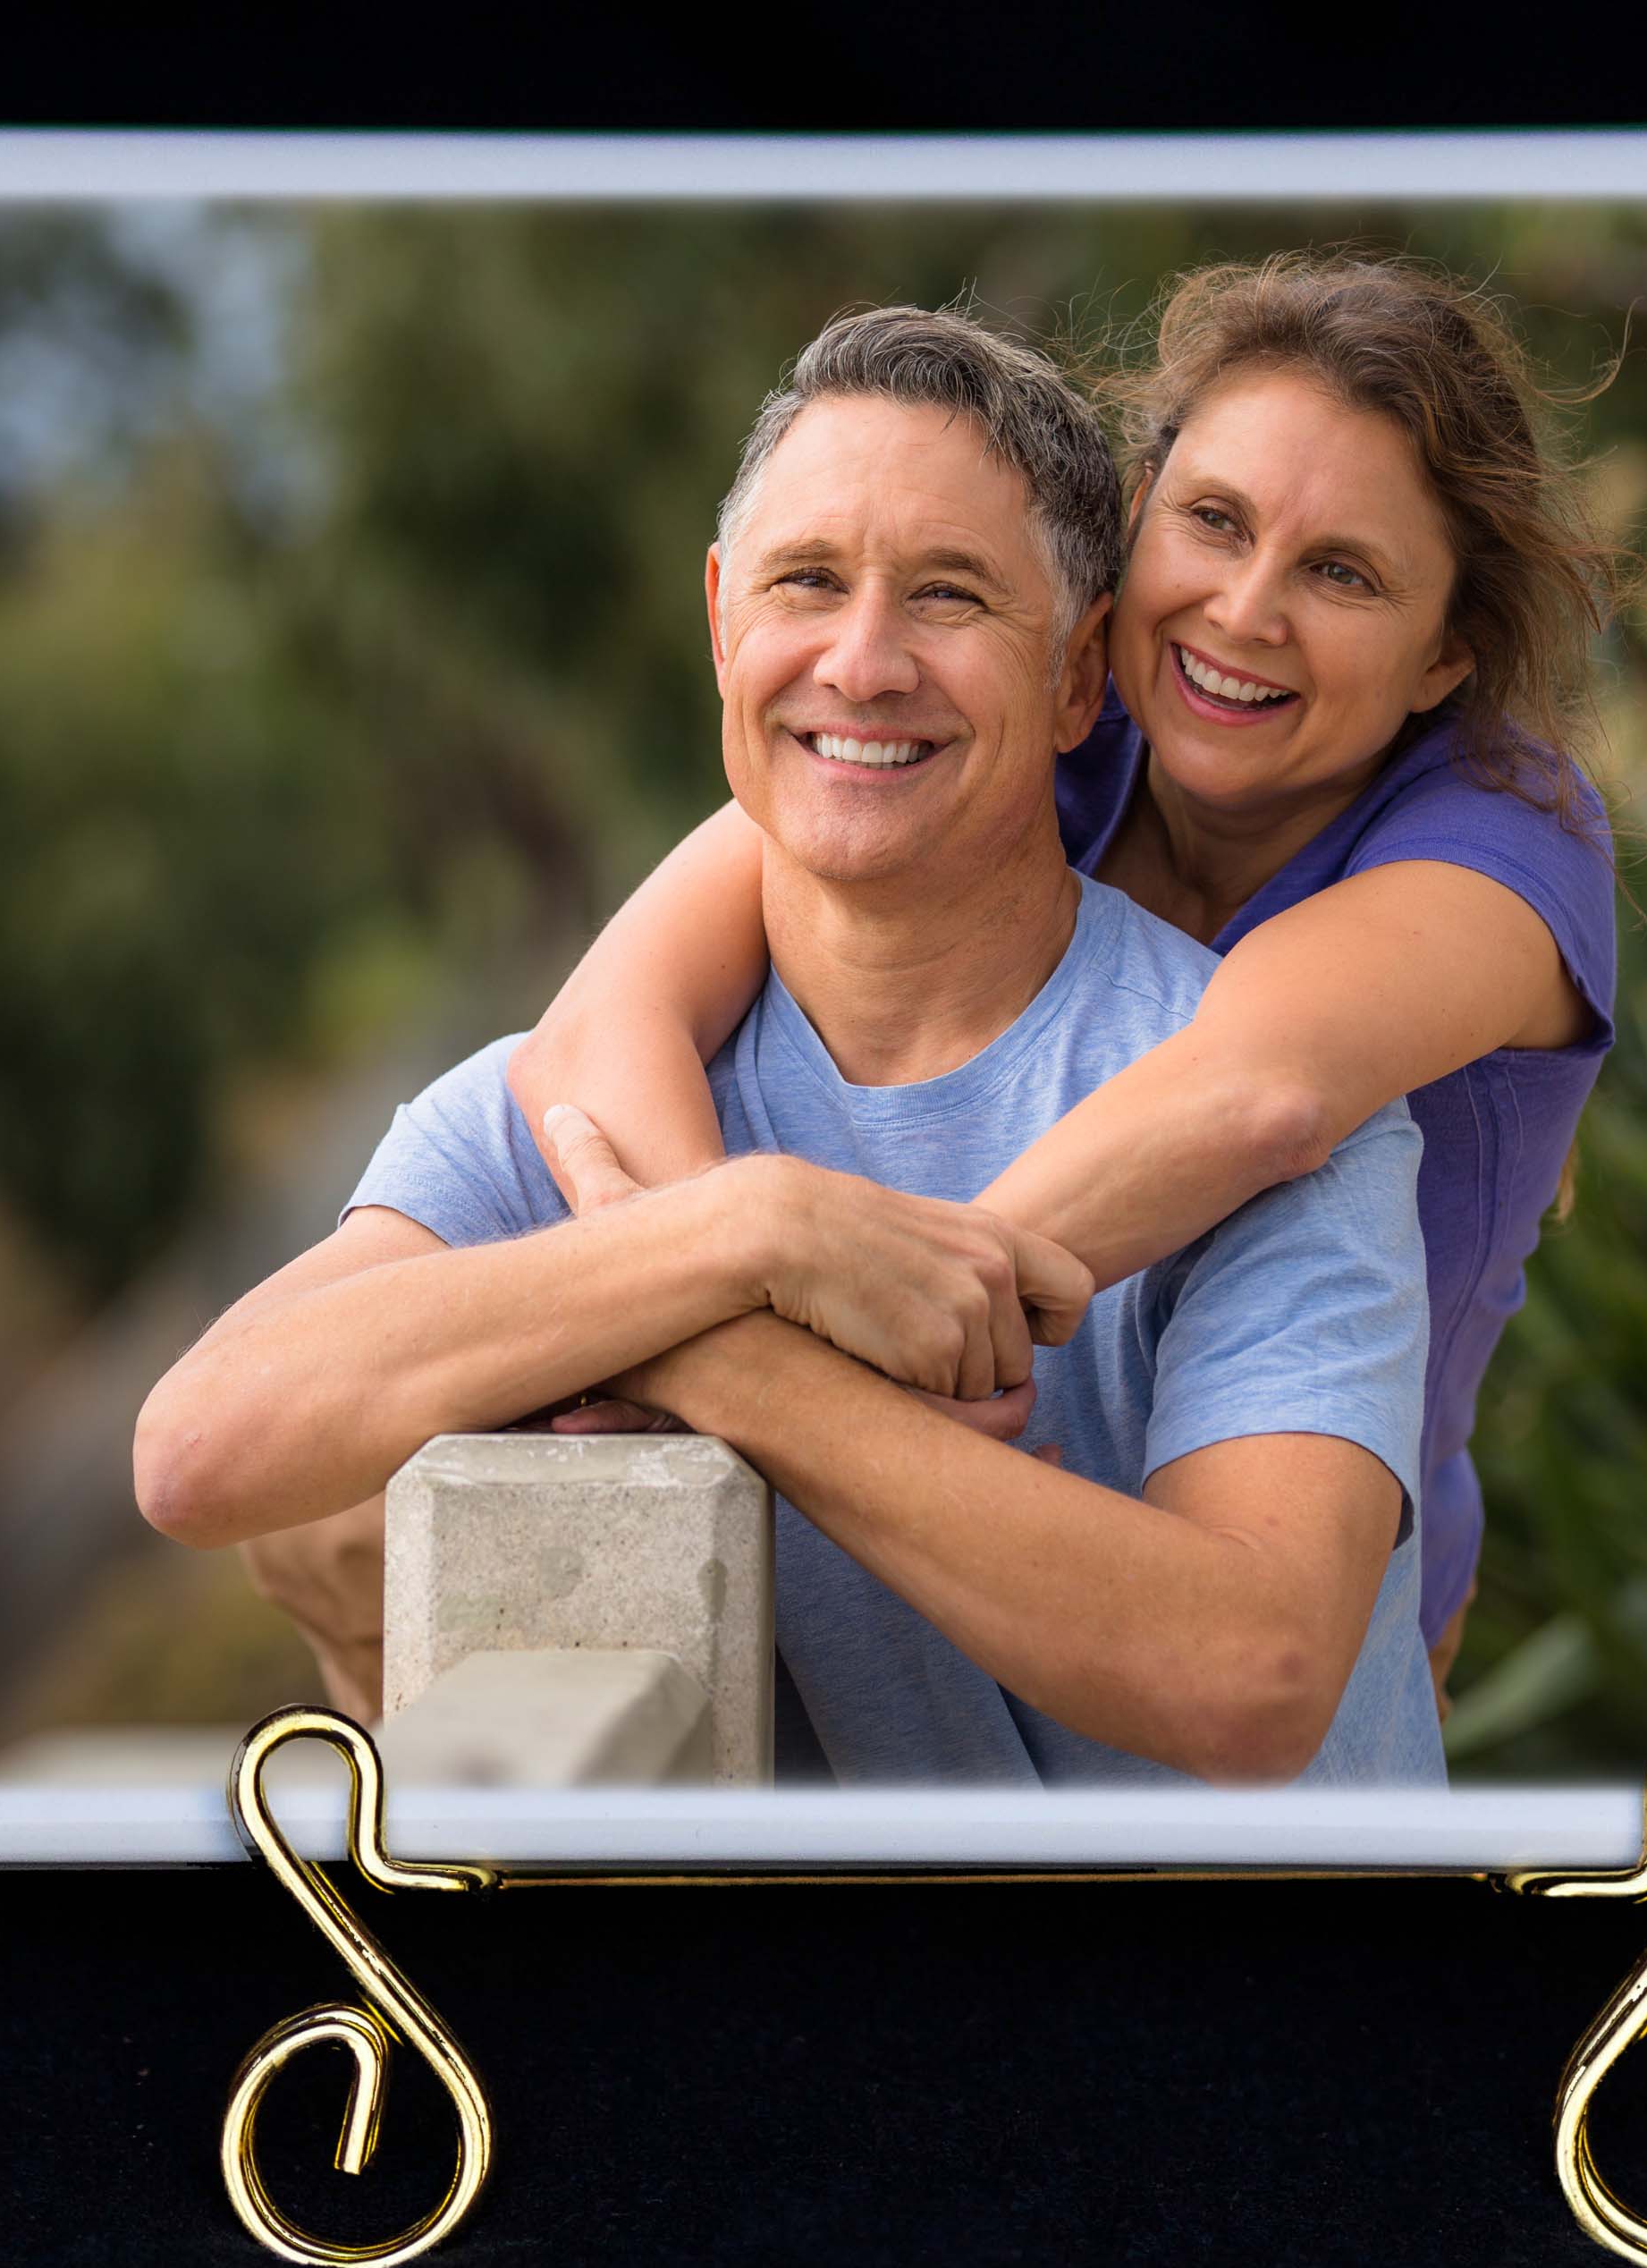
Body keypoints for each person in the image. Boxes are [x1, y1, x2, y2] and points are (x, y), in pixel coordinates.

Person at [139, 305, 1442, 1787]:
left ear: (1081, 675)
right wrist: (748, 1225)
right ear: (720, 624)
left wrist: (724, 1354)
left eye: (947, 596)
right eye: (805, 583)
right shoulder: (579, 1095)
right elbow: (200, 1449)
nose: (862, 661)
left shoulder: (1252, 1103)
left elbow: (1251, 1675)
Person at [509, 253, 1625, 1715]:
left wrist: (748, 1347)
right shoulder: (1037, 717)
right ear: (1135, 523)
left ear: (1442, 657)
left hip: (1274, 1595)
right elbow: (600, 1025)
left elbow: (1256, 1093)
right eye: (1211, 523)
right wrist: (716, 1295)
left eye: (1341, 573)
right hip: (943, 1496)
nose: (1244, 610)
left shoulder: (1501, 840)